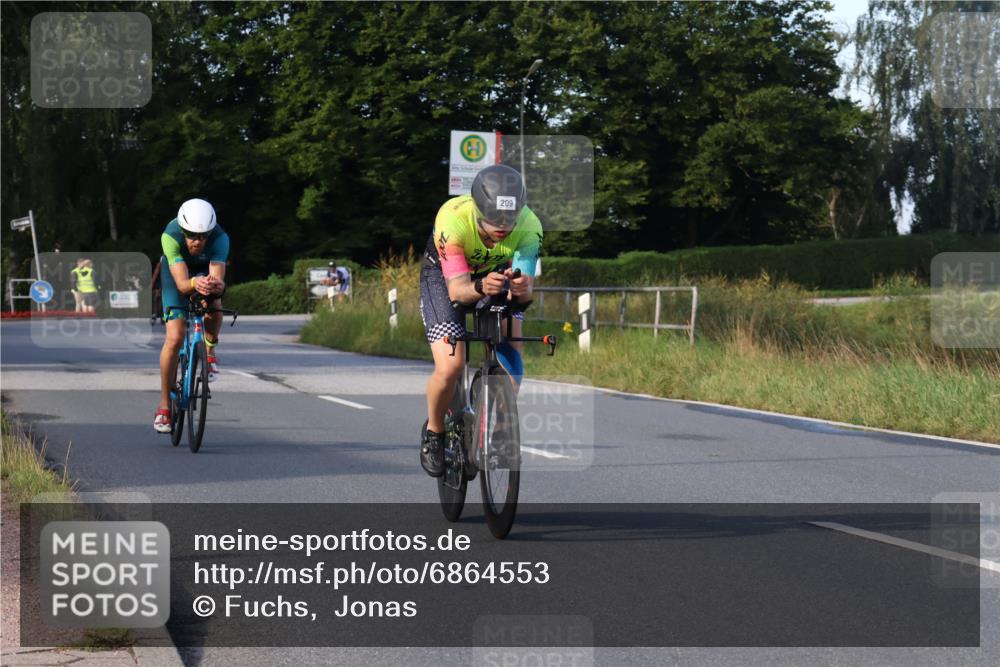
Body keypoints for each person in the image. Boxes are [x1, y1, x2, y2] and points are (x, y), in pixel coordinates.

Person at [418, 164, 542, 477]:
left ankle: (498, 428)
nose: (503, 226)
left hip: (496, 276)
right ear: (477, 209)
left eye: (509, 218)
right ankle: (434, 433)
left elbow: (524, 296)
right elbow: (458, 292)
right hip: (447, 277)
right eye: (494, 218)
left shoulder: (530, 225)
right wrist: (478, 286)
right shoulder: (453, 220)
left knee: (512, 340)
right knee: (451, 366)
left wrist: (522, 289)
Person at [153, 198, 229, 434]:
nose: (198, 242)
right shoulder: (171, 235)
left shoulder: (220, 239)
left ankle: (209, 349)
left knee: (215, 303)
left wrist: (214, 286)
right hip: (177, 276)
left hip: (203, 272)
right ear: (183, 230)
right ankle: (164, 406)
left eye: (203, 236)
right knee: (175, 338)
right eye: (192, 236)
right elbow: (183, 285)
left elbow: (219, 281)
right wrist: (196, 282)